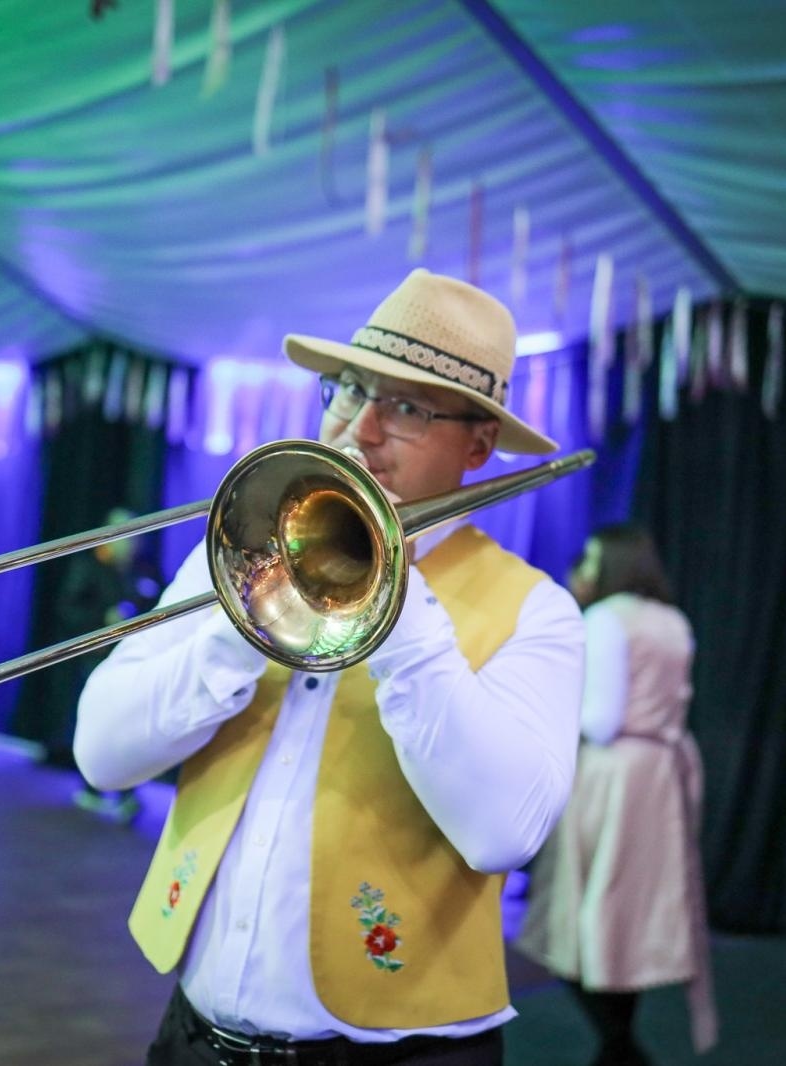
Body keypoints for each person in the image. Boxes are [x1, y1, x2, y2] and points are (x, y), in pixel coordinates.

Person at [76, 268, 586, 1064]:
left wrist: (400, 605)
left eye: (408, 408)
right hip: (194, 1038)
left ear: (479, 444)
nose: (361, 429)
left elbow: (502, 834)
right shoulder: (238, 555)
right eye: (351, 389)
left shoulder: (537, 610)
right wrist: (247, 622)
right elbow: (101, 755)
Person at [517, 525, 717, 1065]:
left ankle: (620, 1046)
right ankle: (620, 1044)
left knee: (588, 903)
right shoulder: (672, 619)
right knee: (633, 907)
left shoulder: (605, 619)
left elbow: (601, 721)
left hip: (614, 774)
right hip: (661, 773)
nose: (583, 570)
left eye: (592, 560)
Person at [65, 508, 161, 824]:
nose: (130, 541)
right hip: (97, 657)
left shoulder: (144, 570)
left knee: (130, 724)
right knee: (98, 721)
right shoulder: (89, 566)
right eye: (124, 533)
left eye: (135, 534)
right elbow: (69, 609)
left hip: (135, 660)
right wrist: (103, 619)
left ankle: (125, 792)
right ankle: (93, 786)